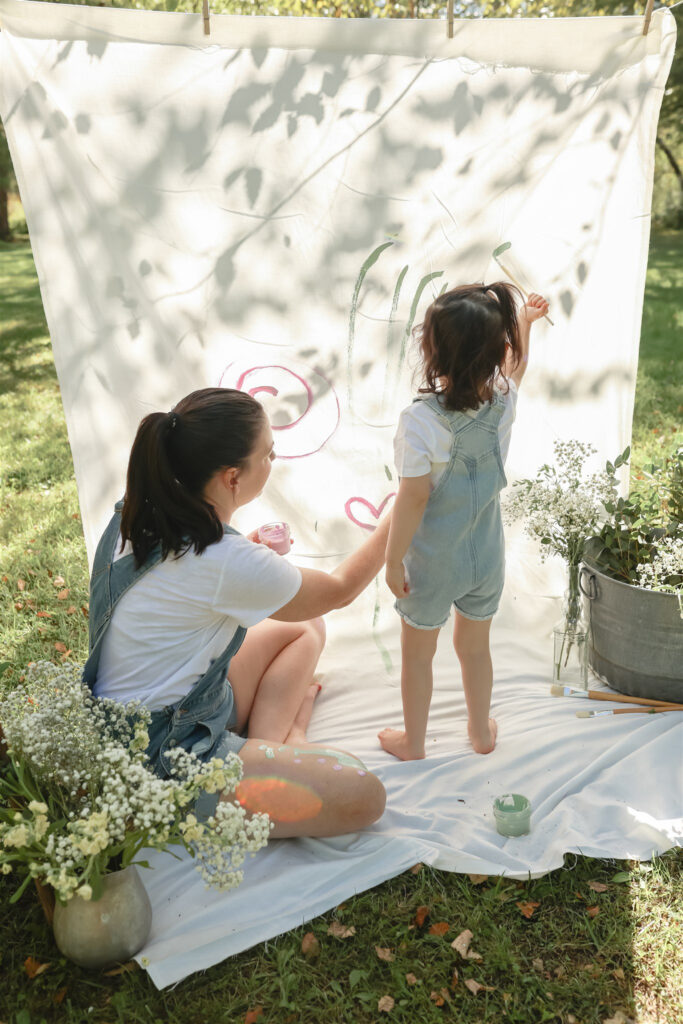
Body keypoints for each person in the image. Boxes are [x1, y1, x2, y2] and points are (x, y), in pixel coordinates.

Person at [82, 387, 390, 837]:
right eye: (268, 454)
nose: (273, 461)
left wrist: (250, 556)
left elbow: (190, 584)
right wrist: (396, 519)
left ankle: (269, 746)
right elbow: (339, 590)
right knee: (363, 794)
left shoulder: (135, 511)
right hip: (168, 760)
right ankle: (289, 743)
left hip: (160, 715)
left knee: (304, 627)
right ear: (231, 477)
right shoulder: (225, 560)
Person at [378, 283, 549, 761]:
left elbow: (412, 500)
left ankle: (413, 744)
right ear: (498, 351)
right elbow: (518, 366)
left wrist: (393, 562)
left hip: (433, 563)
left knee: (418, 653)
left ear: (432, 352)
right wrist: (526, 325)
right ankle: (480, 733)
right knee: (475, 647)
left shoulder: (420, 422)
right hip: (486, 554)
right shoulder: (503, 399)